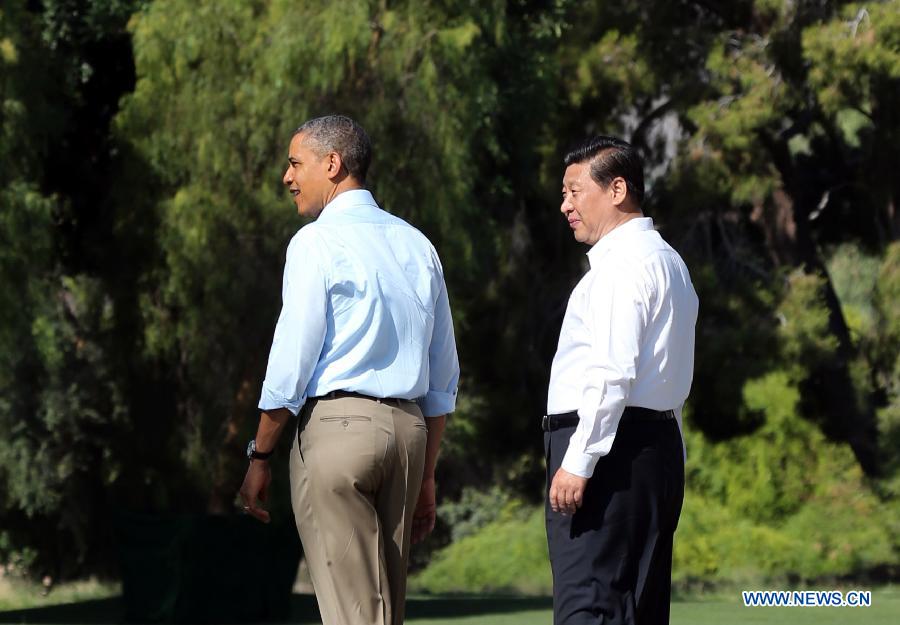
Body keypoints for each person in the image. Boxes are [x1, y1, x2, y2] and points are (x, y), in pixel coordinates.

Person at [238, 115, 459, 625]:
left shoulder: (315, 242)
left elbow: (291, 364)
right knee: (386, 612)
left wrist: (261, 453)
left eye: (296, 163)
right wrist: (427, 474)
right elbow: (443, 376)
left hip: (338, 431)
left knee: (352, 615)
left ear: (332, 164)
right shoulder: (418, 245)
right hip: (409, 434)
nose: (286, 176)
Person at [544, 136, 698, 625]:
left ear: (617, 190)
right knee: (639, 607)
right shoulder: (670, 262)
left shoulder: (621, 267)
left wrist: (579, 459)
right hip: (657, 449)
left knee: (589, 607)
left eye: (574, 191)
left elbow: (613, 373)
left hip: (611, 452)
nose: (565, 205)